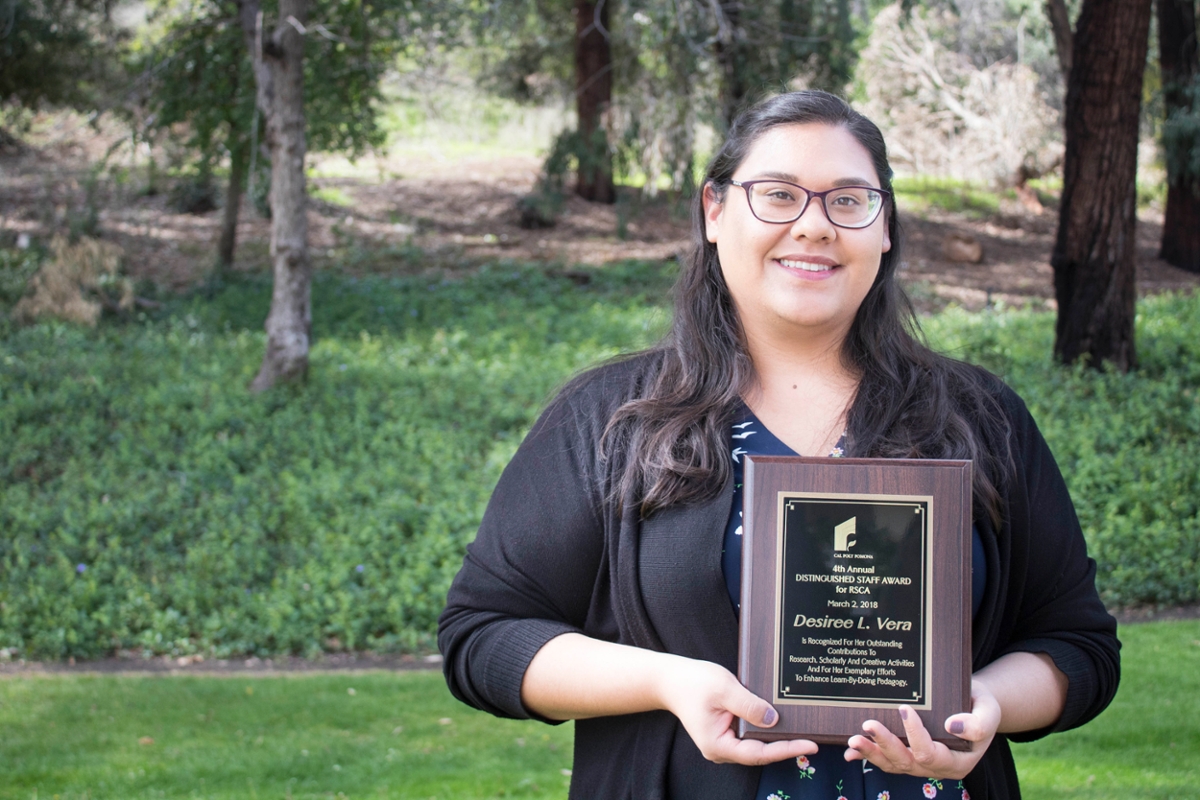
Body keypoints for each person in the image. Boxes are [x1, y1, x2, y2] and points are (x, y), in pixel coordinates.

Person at [438, 90, 1119, 800]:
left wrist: (988, 703)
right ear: (714, 211)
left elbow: (1077, 645)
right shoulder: (611, 420)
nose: (814, 226)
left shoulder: (981, 418)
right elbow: (484, 634)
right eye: (778, 195)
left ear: (884, 228)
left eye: (849, 200)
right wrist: (667, 682)